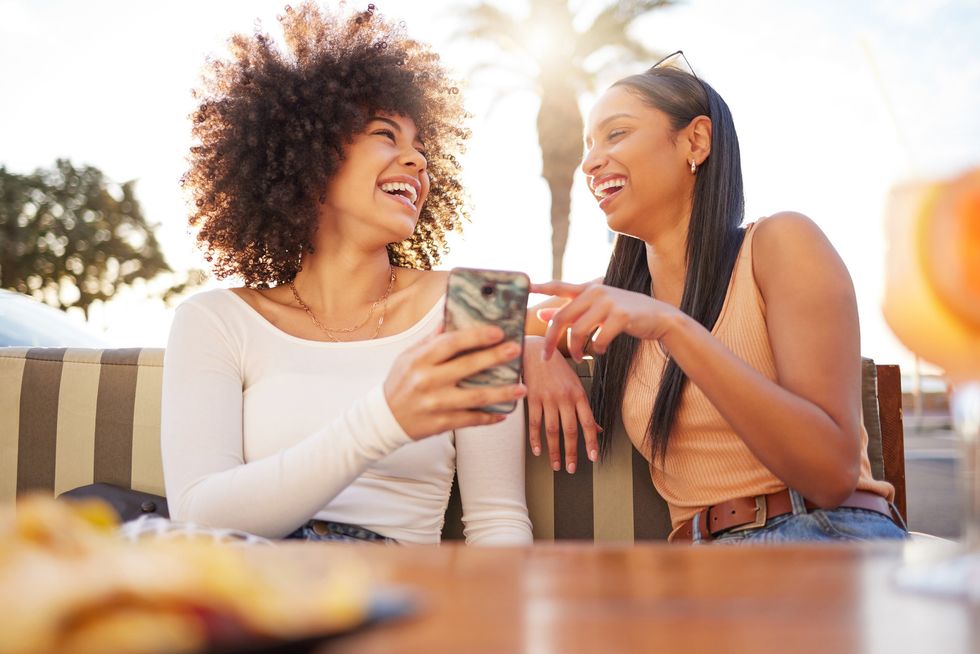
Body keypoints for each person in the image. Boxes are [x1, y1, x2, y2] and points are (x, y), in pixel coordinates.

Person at [161, 2, 532, 545]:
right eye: (387, 135)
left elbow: (498, 520)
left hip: (396, 602)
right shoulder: (214, 320)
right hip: (254, 597)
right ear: (309, 155)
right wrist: (383, 420)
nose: (418, 161)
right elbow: (199, 515)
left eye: (422, 147)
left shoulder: (472, 306)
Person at [528, 56, 906, 543]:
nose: (589, 162)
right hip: (700, 566)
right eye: (589, 145)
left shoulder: (779, 244)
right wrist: (530, 353)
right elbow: (481, 322)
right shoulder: (616, 302)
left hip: (821, 532)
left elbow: (830, 474)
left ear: (696, 141)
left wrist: (674, 328)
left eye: (616, 134)